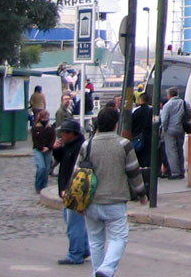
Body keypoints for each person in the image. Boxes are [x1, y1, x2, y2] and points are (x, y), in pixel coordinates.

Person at [85, 105, 147, 277]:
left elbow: (77, 173)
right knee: (118, 238)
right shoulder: (124, 145)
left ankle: (97, 272)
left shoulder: (88, 145)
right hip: (115, 200)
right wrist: (142, 194)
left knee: (96, 241)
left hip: (91, 201)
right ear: (115, 124)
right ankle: (106, 269)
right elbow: (134, 172)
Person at [52, 118, 90, 266]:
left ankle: (75, 253)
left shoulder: (79, 147)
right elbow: (62, 160)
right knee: (73, 221)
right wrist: (57, 149)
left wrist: (69, 189)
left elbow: (76, 171)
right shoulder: (69, 145)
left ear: (72, 134)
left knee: (74, 223)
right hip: (67, 189)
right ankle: (83, 248)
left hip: (74, 191)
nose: (61, 136)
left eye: (64, 133)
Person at [158, 87, 188, 179]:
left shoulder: (168, 105)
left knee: (172, 151)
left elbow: (164, 120)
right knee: (180, 150)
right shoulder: (184, 103)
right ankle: (181, 170)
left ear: (169, 95)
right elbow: (189, 114)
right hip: (181, 129)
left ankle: (175, 172)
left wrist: (163, 130)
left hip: (170, 130)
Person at [31, 109, 55, 192]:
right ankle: (38, 186)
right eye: (44, 118)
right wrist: (41, 148)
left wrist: (48, 147)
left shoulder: (51, 128)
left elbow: (52, 139)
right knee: (41, 167)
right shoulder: (35, 128)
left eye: (47, 118)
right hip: (38, 149)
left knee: (47, 169)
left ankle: (44, 186)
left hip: (48, 149)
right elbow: (35, 140)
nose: (45, 120)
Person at [130, 92, 152, 179]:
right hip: (149, 137)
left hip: (137, 136)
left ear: (140, 100)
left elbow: (132, 123)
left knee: (138, 153)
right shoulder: (152, 110)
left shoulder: (136, 111)